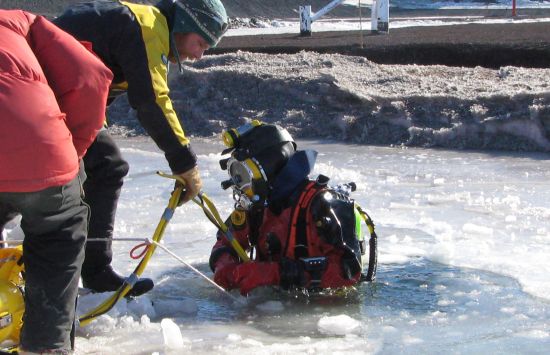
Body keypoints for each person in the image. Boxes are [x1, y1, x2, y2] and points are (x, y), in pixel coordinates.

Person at [2, 0, 228, 296]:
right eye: (201, 42)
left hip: (33, 94)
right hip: (31, 93)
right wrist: (184, 162)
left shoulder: (136, 23)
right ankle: (96, 273)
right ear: (184, 25)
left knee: (70, 170)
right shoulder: (148, 27)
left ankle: (84, 267)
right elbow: (151, 100)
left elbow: (92, 94)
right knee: (106, 166)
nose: (199, 54)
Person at [0, 9, 112, 353]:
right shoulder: (20, 21)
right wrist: (70, 153)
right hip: (37, 144)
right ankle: (46, 345)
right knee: (58, 234)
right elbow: (93, 76)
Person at [209, 122, 378, 296]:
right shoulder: (258, 206)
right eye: (236, 175)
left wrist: (276, 273)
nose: (240, 187)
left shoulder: (323, 204)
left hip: (322, 314)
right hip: (270, 309)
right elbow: (226, 240)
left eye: (244, 176)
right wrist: (224, 265)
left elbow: (349, 270)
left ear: (268, 169)